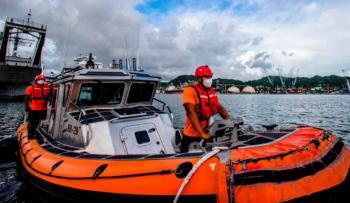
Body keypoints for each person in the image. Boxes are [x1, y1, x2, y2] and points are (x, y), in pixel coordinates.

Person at [181, 65, 231, 152]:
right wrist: (201, 133)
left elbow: (220, 109)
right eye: (207, 77)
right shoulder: (190, 90)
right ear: (199, 79)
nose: (209, 79)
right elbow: (190, 112)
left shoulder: (211, 91)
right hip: (192, 135)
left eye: (210, 77)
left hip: (208, 132)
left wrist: (231, 122)